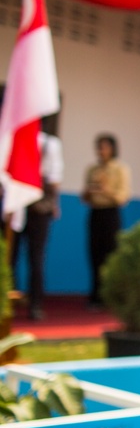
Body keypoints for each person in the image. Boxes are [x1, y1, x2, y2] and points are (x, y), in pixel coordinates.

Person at [10, 122, 63, 321]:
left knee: (35, 258)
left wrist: (52, 202)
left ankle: (35, 305)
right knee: (12, 257)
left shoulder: (49, 143)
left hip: (37, 207)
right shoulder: (14, 138)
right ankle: (12, 301)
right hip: (16, 206)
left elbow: (54, 178)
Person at [81, 133, 130, 309]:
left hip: (111, 215)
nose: (100, 151)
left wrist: (106, 189)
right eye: (98, 147)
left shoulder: (119, 169)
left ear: (112, 149)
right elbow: (84, 197)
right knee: (94, 255)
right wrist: (89, 191)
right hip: (95, 213)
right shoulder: (92, 170)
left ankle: (110, 297)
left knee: (110, 256)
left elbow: (122, 198)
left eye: (104, 147)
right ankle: (95, 295)